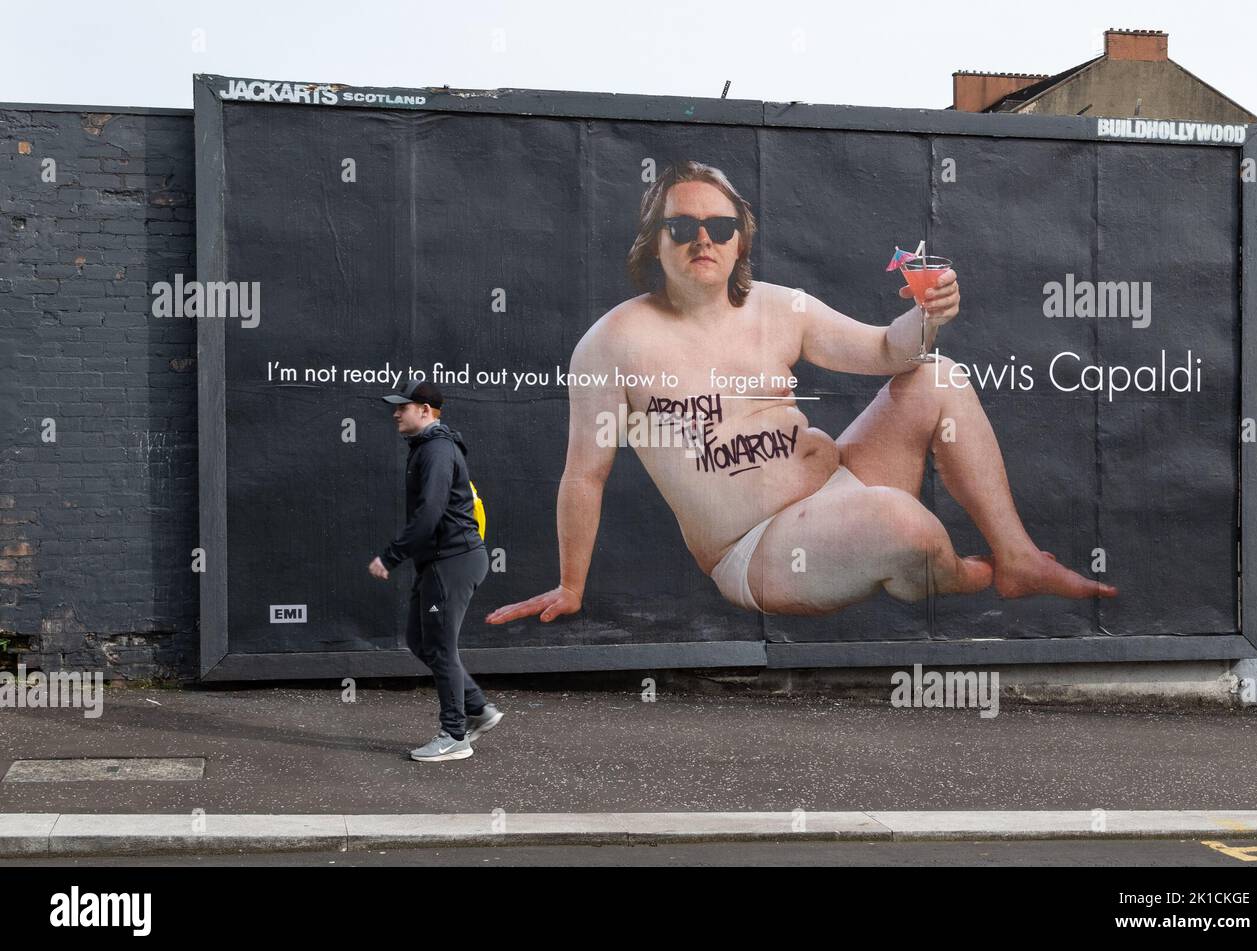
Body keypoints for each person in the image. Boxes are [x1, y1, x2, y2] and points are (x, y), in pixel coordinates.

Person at [486, 160, 1117, 627]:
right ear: (655, 241)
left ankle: (1017, 558)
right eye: (682, 226)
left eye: (720, 225)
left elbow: (883, 352)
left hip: (841, 483)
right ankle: (942, 573)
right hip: (758, 548)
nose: (703, 239)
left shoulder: (778, 305)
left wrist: (925, 319)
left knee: (938, 373)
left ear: (741, 239)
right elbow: (584, 476)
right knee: (908, 527)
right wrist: (571, 586)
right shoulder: (611, 343)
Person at [369, 380, 502, 761]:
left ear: (425, 411)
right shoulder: (428, 448)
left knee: (441, 648)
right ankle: (477, 707)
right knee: (419, 638)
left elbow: (430, 513)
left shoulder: (438, 450)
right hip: (440, 561)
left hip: (453, 560)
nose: (395, 412)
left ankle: (454, 735)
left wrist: (391, 556)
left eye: (403, 407)